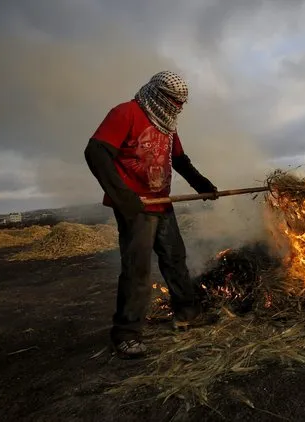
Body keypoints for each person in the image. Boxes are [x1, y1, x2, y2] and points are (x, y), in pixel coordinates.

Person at [84, 71, 219, 358]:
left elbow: (179, 160)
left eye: (182, 103)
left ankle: (187, 314)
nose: (178, 108)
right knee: (138, 269)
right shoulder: (126, 113)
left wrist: (201, 184)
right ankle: (126, 334)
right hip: (137, 207)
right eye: (174, 101)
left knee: (174, 258)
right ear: (157, 94)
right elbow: (96, 152)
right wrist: (123, 197)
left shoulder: (167, 122)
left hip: (161, 201)